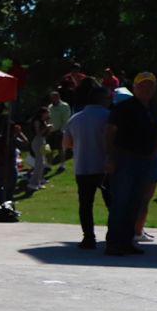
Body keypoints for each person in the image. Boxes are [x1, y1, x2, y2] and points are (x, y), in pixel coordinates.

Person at [105, 72, 157, 256]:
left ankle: (127, 241)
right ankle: (113, 243)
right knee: (120, 201)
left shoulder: (155, 107)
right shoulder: (124, 108)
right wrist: (110, 158)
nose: (147, 89)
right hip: (125, 159)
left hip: (147, 159)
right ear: (135, 88)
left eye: (150, 85)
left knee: (136, 203)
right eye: (142, 85)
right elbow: (110, 132)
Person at [63, 87, 112, 248]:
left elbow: (67, 144)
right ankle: (113, 235)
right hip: (105, 167)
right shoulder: (109, 116)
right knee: (111, 203)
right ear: (102, 99)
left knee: (85, 204)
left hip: (83, 166)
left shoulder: (75, 119)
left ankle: (88, 237)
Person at [47, 90, 71, 170]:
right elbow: (48, 118)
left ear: (58, 97)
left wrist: (61, 130)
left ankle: (62, 165)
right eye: (51, 98)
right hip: (50, 131)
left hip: (60, 131)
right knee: (48, 149)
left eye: (54, 97)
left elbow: (66, 120)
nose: (52, 99)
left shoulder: (65, 106)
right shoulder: (50, 107)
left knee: (61, 149)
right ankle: (48, 165)